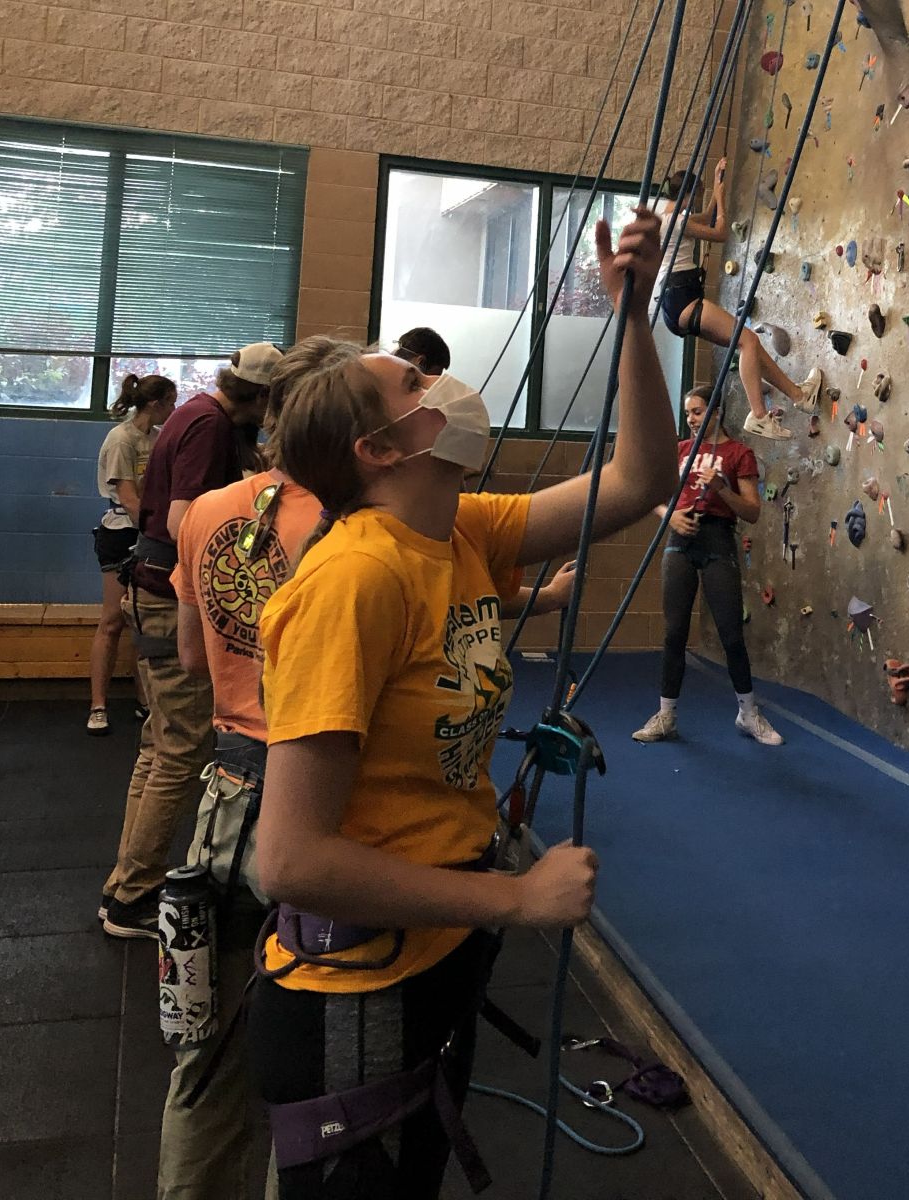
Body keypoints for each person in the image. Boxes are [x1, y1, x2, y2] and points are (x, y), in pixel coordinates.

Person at [247, 208, 677, 1199]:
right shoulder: (355, 580)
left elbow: (642, 478)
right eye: (411, 381)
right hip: (355, 988)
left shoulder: (464, 531)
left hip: (436, 950)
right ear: (380, 450)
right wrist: (514, 898)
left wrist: (630, 313)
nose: (438, 379)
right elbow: (290, 857)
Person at [159, 337, 337, 1200]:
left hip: (225, 799)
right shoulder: (350, 528)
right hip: (318, 799)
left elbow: (194, 661)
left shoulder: (204, 514)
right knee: (316, 1062)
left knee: (208, 1049)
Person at [101, 343, 282, 939]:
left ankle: (126, 884)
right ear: (259, 397)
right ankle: (134, 895)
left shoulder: (199, 415)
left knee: (159, 747)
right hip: (163, 589)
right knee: (180, 752)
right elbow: (186, 521)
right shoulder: (207, 426)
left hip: (147, 588)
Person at [631, 384, 783, 746]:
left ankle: (748, 714)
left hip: (717, 539)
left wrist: (721, 489)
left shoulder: (739, 454)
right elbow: (650, 495)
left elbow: (753, 512)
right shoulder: (680, 450)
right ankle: (666, 715)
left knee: (731, 633)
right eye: (687, 414)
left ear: (716, 412)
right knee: (674, 633)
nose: (691, 420)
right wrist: (670, 517)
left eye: (697, 412)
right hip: (680, 539)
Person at [395, 323, 577, 619]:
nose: (437, 389)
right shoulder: (370, 555)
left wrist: (552, 596)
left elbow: (478, 598)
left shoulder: (464, 518)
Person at [651, 158, 822, 441]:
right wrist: (718, 197)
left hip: (675, 301)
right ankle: (758, 415)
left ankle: (799, 395)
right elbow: (718, 232)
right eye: (697, 197)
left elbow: (704, 219)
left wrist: (719, 188)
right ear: (688, 196)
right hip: (681, 297)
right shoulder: (675, 221)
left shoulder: (664, 215)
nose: (696, 204)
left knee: (749, 349)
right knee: (748, 341)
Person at [87, 373, 175, 736]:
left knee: (144, 620)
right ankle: (98, 706)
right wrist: (162, 535)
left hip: (148, 536)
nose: (174, 409)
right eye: (171, 402)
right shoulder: (122, 440)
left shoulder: (156, 439)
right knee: (112, 620)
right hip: (123, 533)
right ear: (155, 404)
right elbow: (129, 498)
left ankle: (146, 701)